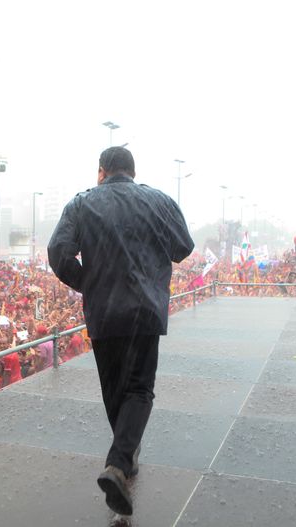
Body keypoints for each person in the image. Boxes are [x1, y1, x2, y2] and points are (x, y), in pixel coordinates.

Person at [48, 146, 194, 516]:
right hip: (145, 312)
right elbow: (183, 248)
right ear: (132, 171)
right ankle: (119, 462)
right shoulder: (160, 201)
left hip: (104, 312)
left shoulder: (82, 205)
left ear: (101, 172)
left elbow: (58, 251)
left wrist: (89, 283)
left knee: (115, 389)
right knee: (139, 389)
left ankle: (122, 460)